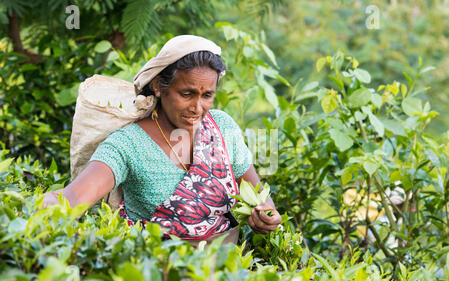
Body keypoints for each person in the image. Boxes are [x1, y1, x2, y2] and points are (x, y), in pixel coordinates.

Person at [43, 35, 281, 246]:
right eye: (186, 94)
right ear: (158, 86)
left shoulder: (222, 127)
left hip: (228, 273)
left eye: (207, 95)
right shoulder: (127, 144)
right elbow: (73, 198)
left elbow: (258, 193)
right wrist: (40, 209)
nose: (197, 108)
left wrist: (266, 214)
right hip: (160, 278)